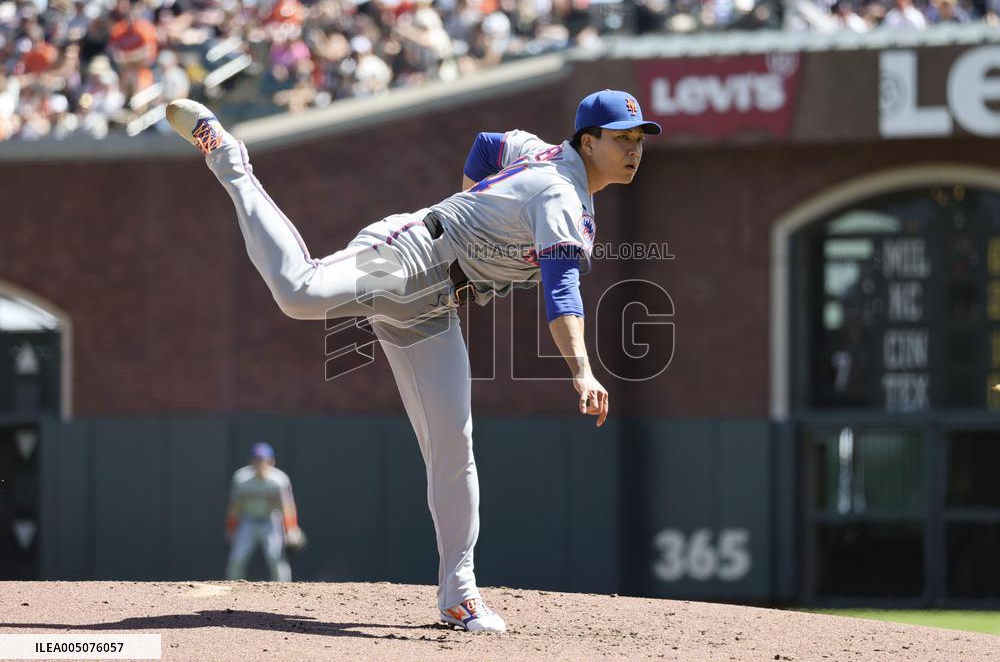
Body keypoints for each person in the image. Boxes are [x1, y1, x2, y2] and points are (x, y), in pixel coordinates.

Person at [164, 88, 660, 632]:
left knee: (453, 442)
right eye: (621, 138)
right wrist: (582, 371)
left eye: (637, 138)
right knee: (298, 292)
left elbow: (488, 144)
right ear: (588, 142)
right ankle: (231, 161)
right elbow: (562, 293)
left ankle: (459, 594)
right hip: (408, 259)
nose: (634, 148)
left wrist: (476, 204)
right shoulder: (560, 196)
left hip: (435, 305)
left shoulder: (540, 154)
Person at [225, 442, 302, 582]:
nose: (260, 463)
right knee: (237, 559)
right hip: (248, 521)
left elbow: (288, 507)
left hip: (270, 522)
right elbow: (235, 506)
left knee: (276, 558)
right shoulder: (241, 479)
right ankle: (232, 590)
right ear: (251, 461)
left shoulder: (279, 480)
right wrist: (231, 528)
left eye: (263, 459)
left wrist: (291, 529)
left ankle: (284, 592)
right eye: (257, 459)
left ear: (271, 461)